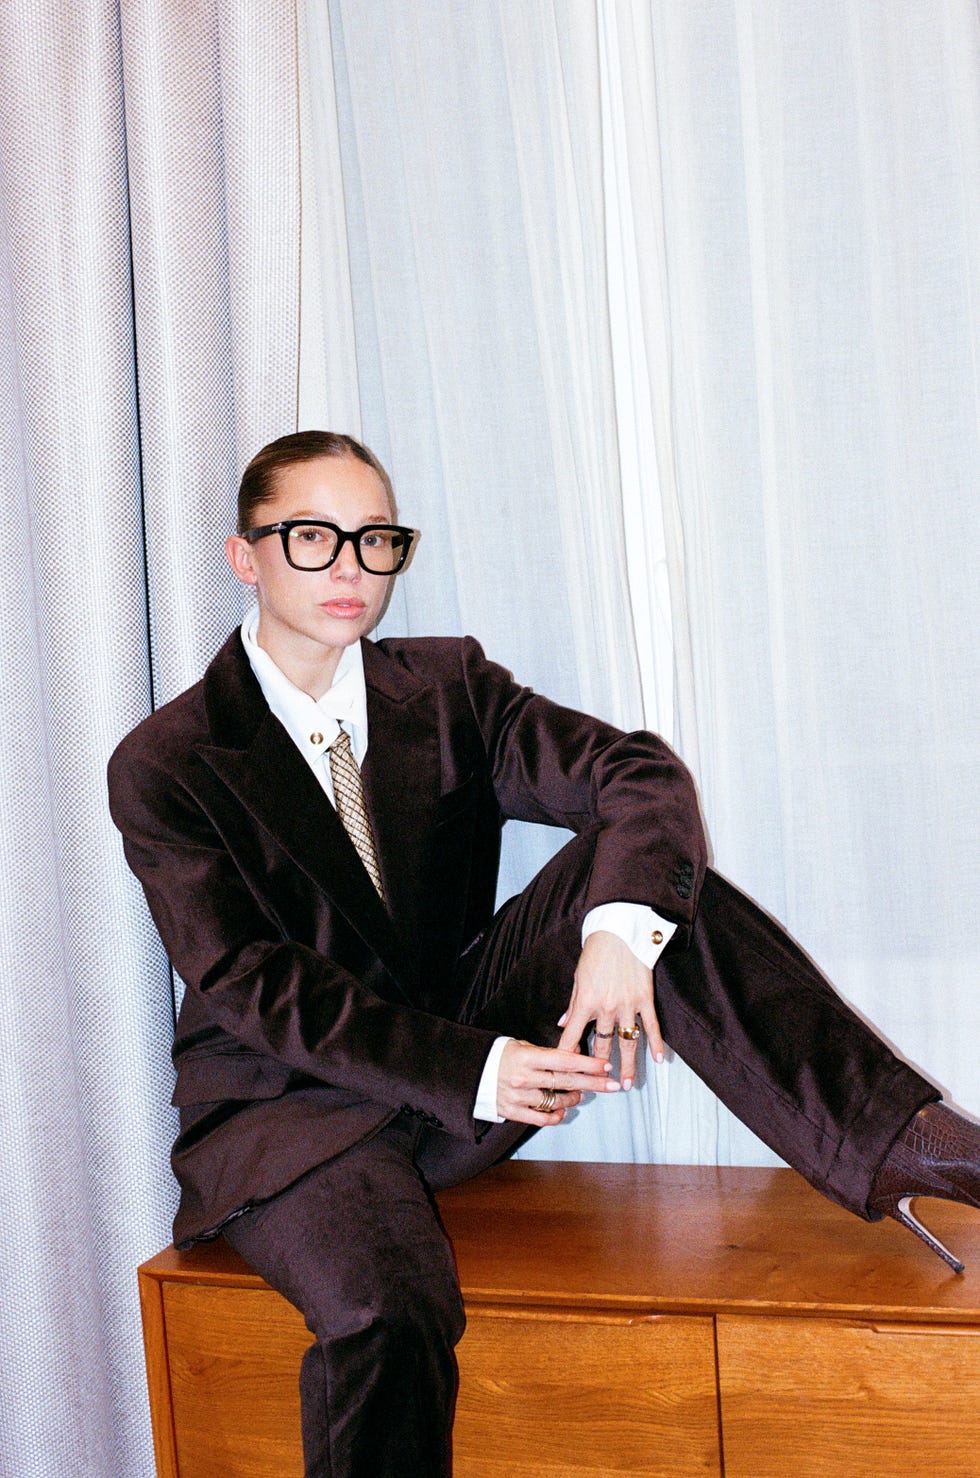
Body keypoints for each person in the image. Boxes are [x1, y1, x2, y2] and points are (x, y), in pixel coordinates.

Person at [108, 430, 979, 1478]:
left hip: (460, 1079)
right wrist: (476, 1067)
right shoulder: (168, 761)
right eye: (312, 536)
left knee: (647, 893)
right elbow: (252, 984)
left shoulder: (444, 690)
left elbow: (636, 775)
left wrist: (615, 939)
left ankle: (917, 1145)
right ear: (243, 555)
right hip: (293, 1111)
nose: (349, 565)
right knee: (390, 1308)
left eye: (373, 538)